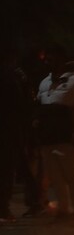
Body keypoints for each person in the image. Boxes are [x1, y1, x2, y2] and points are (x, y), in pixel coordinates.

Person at [35, 46, 74, 220]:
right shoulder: (44, 82)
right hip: (48, 137)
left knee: (71, 175)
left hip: (66, 136)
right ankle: (64, 210)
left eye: (53, 59)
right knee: (55, 176)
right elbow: (39, 106)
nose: (49, 63)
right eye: (47, 60)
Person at [0, 46, 26, 222]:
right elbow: (19, 107)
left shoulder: (11, 78)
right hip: (7, 132)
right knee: (5, 172)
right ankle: (2, 210)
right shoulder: (11, 79)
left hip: (8, 131)